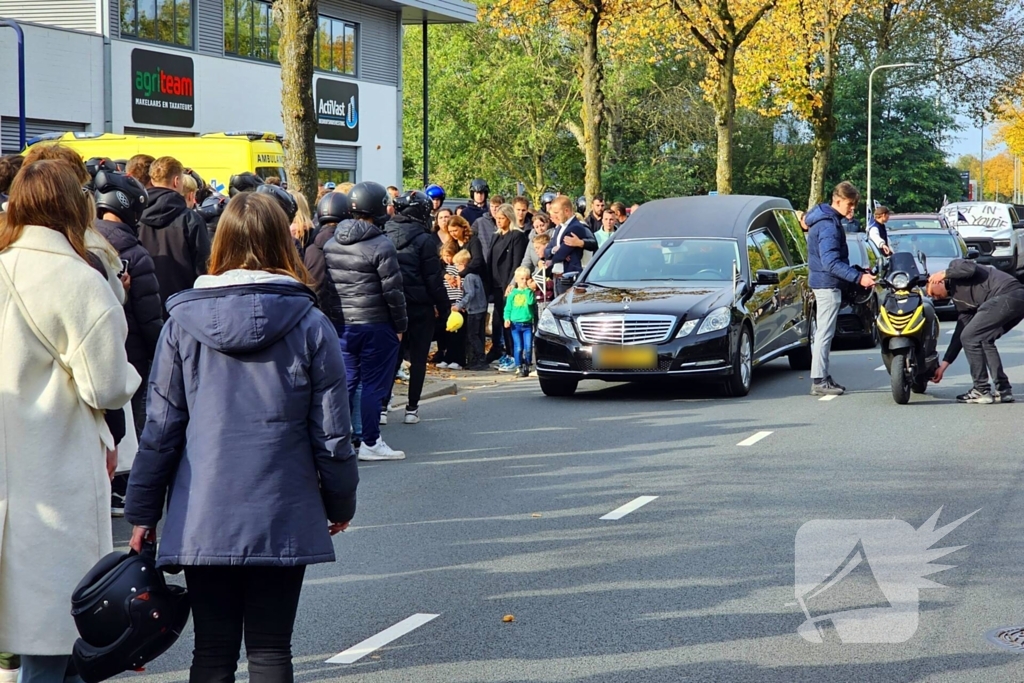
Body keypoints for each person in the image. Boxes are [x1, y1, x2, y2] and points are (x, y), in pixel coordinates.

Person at [124, 192, 357, 683]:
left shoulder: (181, 325)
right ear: (283, 244)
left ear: (219, 242)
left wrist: (143, 514)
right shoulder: (312, 324)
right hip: (282, 503)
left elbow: (161, 431)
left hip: (203, 508)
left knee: (211, 650)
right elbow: (333, 431)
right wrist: (339, 502)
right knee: (272, 649)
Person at [0, 160, 140, 683]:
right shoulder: (78, 280)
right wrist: (130, 377)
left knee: (31, 633)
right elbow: (105, 385)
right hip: (56, 464)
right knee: (60, 634)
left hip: (11, 470)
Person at [93, 170, 164, 514]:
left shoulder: (84, 242)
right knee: (129, 428)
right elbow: (150, 319)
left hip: (94, 360)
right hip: (130, 358)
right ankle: (122, 488)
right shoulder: (135, 255)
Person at [323, 181, 408, 461]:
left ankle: (337, 437)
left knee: (346, 382)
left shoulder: (332, 243)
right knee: (373, 385)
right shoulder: (381, 245)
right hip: (376, 324)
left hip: (343, 325)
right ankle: (370, 442)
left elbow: (328, 288)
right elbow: (393, 292)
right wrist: (400, 326)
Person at [805, 181, 876, 396]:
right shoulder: (828, 225)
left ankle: (823, 377)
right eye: (850, 204)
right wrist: (858, 278)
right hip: (827, 284)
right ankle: (819, 380)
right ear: (837, 201)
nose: (852, 209)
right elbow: (830, 262)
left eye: (854, 204)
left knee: (824, 332)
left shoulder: (825, 220)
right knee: (824, 333)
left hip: (824, 282)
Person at [385, 190, 450, 425]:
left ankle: (383, 406)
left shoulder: (385, 234)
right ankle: (412, 408)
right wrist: (444, 308)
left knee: (392, 356)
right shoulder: (425, 240)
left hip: (392, 305)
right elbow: (433, 278)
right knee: (419, 358)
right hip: (420, 307)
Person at [928, 260, 1024, 403]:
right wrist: (944, 365)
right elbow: (960, 334)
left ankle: (981, 390)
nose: (934, 298)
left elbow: (971, 268)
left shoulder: (955, 267)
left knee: (970, 337)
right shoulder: (961, 304)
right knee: (983, 339)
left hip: (1008, 294)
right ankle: (1003, 389)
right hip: (1014, 302)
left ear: (936, 281)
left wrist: (943, 273)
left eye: (932, 293)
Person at [137, 156, 211, 311]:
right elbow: (203, 270)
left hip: (143, 305)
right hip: (183, 307)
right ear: (177, 181)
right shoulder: (191, 220)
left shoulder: (135, 216)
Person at [488, 203, 528, 369]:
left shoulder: (517, 236)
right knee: (498, 320)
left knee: (510, 320)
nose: (498, 221)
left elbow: (516, 263)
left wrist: (512, 283)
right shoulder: (496, 236)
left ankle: (514, 355)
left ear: (509, 218)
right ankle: (501, 350)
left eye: (501, 218)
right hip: (496, 285)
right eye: (496, 218)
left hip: (508, 284)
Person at [545, 195, 590, 296]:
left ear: (566, 211)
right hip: (557, 277)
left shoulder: (576, 227)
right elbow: (547, 250)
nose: (555, 216)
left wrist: (552, 258)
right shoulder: (559, 228)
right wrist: (552, 251)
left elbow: (561, 253)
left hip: (569, 278)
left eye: (557, 213)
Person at [454, 249, 488, 370]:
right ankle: (476, 359)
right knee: (478, 334)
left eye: (457, 265)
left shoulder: (468, 277)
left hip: (474, 310)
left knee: (472, 335)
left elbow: (470, 294)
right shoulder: (475, 275)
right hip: (480, 308)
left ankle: (480, 359)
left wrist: (459, 305)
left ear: (463, 264)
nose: (456, 268)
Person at [504, 266, 537, 377]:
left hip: (527, 324)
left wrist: (528, 289)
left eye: (526, 279)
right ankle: (518, 366)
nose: (524, 281)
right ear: (516, 280)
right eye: (522, 279)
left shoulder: (530, 292)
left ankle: (527, 364)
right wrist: (506, 318)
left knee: (528, 347)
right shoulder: (512, 294)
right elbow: (508, 308)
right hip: (515, 324)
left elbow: (530, 302)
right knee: (518, 347)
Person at [437, 240, 465, 369]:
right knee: (447, 332)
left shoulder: (458, 269)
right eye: (445, 256)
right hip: (446, 303)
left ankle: (458, 359)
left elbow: (461, 288)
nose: (447, 258)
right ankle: (447, 357)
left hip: (456, 304)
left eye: (449, 255)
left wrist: (459, 304)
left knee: (457, 333)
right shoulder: (444, 270)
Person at [473, 194, 504, 263]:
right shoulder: (479, 222)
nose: (494, 209)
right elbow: (470, 238)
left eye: (497, 207)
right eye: (492, 206)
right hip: (484, 262)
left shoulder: (508, 223)